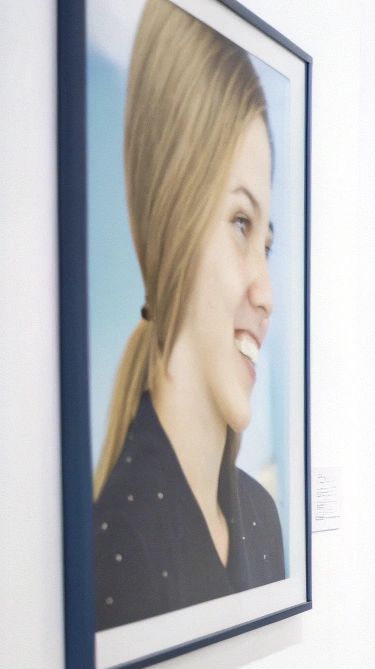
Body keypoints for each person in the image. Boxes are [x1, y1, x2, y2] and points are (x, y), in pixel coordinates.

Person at [91, 0, 284, 630]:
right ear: (170, 224)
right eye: (239, 223)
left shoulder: (259, 518)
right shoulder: (115, 547)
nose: (267, 292)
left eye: (268, 243)